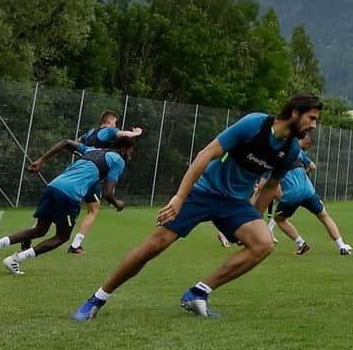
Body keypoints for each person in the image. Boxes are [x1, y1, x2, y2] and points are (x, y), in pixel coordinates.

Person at [72, 92, 323, 321]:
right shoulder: (255, 124)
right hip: (202, 192)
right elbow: (206, 154)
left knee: (263, 243)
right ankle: (97, 299)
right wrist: (180, 197)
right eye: (311, 118)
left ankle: (198, 293)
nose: (313, 125)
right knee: (154, 246)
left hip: (235, 203)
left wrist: (252, 218)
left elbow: (270, 187)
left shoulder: (290, 150)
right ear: (294, 112)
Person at [0, 138, 133, 276]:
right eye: (130, 151)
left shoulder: (93, 150)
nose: (130, 155)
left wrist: (40, 161)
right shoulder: (119, 160)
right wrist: (117, 203)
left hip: (53, 186)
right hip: (70, 194)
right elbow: (107, 193)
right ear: (124, 149)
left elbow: (66, 142)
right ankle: (16, 259)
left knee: (39, 229)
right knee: (62, 237)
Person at [67, 110, 144, 254]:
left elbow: (75, 142)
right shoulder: (108, 131)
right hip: (93, 172)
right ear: (109, 121)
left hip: (80, 167)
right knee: (93, 210)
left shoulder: (90, 132)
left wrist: (81, 151)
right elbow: (123, 135)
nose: (116, 127)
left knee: (60, 203)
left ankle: (33, 233)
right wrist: (137, 133)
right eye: (115, 123)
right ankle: (75, 245)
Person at [269, 132, 352, 256]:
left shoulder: (272, 155)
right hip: (308, 191)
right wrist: (305, 175)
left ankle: (301, 244)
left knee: (279, 219)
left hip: (291, 195)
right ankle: (341, 245)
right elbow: (312, 166)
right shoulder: (297, 151)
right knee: (324, 216)